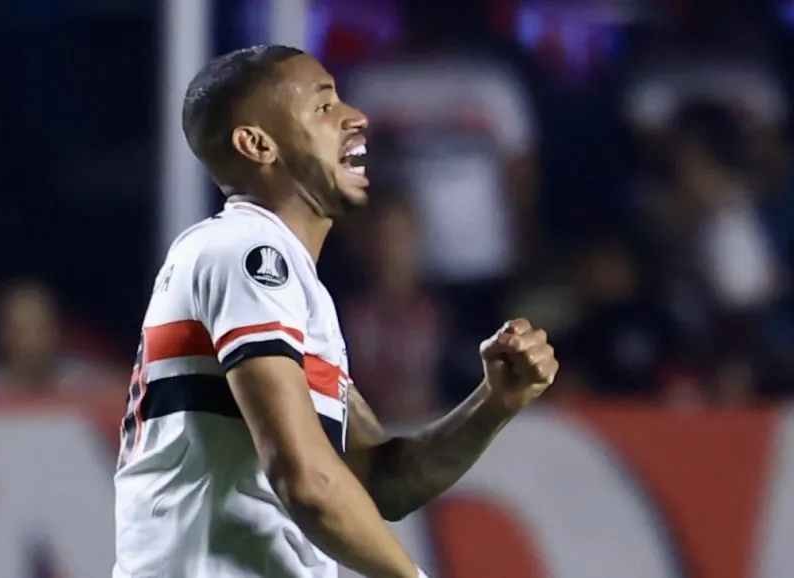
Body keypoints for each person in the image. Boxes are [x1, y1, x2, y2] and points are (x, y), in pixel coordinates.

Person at [113, 45, 559, 578]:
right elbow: (307, 481)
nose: (356, 117)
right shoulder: (248, 251)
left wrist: (493, 403)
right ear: (257, 144)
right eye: (324, 106)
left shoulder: (280, 279)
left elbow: (380, 481)